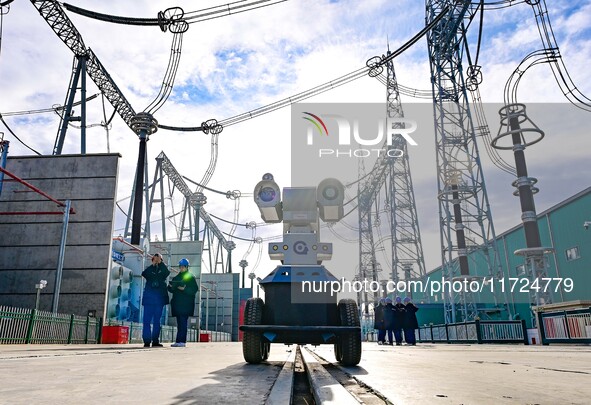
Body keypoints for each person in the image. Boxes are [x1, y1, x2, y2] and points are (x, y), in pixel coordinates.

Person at [168, 258, 198, 347]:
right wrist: (170, 287)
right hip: (178, 303)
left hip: (185, 304)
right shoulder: (176, 277)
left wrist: (184, 289)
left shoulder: (190, 277)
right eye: (180, 266)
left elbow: (194, 289)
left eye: (183, 267)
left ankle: (182, 341)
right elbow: (171, 289)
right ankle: (178, 341)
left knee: (183, 322)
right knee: (179, 323)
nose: (181, 268)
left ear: (186, 267)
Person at [141, 253, 170, 347]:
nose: (157, 260)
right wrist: (153, 264)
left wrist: (160, 263)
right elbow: (144, 274)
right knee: (146, 321)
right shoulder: (149, 271)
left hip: (159, 301)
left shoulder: (162, 270)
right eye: (155, 259)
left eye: (158, 259)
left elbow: (166, 272)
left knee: (157, 321)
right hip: (149, 300)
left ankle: (155, 341)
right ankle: (146, 341)